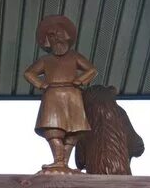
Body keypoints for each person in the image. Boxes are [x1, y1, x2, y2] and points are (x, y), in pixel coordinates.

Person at [23, 15, 97, 173]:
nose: (56, 37)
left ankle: (62, 163)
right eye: (51, 35)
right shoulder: (46, 60)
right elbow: (29, 73)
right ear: (47, 41)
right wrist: (41, 84)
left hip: (72, 94)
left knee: (73, 130)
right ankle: (59, 161)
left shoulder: (75, 56)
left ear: (66, 35)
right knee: (52, 128)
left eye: (59, 33)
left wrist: (81, 80)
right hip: (53, 95)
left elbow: (91, 70)